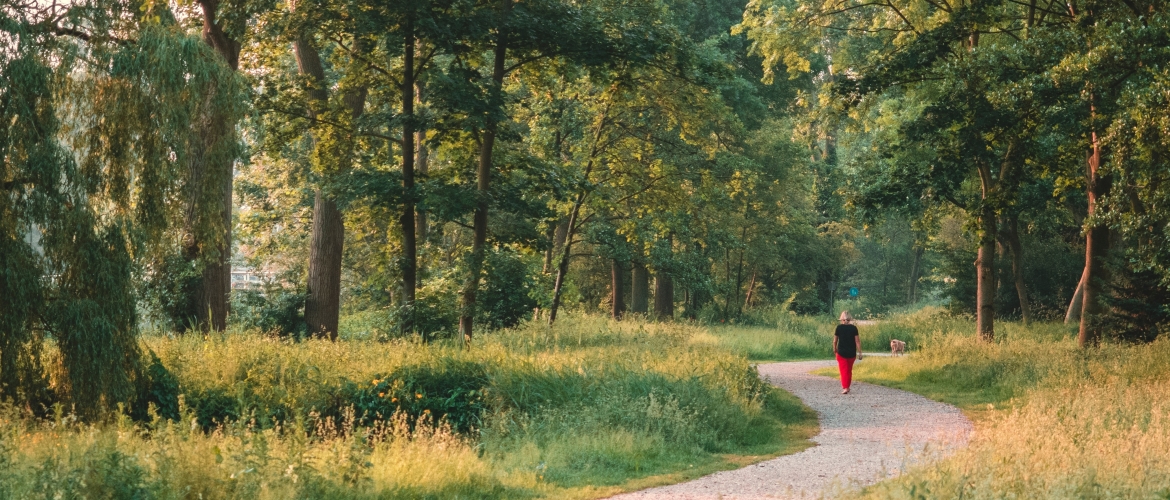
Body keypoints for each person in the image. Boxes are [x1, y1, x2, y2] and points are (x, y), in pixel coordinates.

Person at [833, 311, 862, 394]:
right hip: (852, 353)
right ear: (850, 318)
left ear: (841, 318)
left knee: (843, 371)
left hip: (841, 352)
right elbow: (857, 341)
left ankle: (846, 387)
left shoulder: (839, 328)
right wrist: (860, 352)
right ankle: (847, 386)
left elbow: (835, 341)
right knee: (849, 370)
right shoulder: (854, 328)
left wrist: (834, 349)